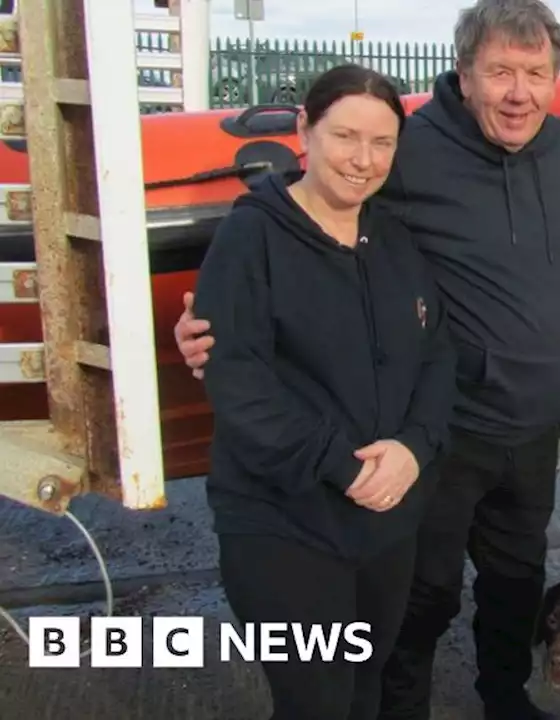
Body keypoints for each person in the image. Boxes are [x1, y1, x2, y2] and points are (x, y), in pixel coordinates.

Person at [174, 1, 560, 717]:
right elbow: (308, 218)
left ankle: (503, 700)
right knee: (422, 596)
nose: (518, 91)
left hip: (532, 427)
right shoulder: (411, 148)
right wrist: (205, 320)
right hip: (445, 429)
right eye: (499, 70)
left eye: (536, 73)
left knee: (514, 583)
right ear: (464, 74)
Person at [191, 64, 457, 720]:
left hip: (385, 522)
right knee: (316, 703)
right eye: (345, 137)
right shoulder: (251, 237)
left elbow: (437, 352)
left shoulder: (395, 241)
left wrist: (416, 448)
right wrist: (344, 465)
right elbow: (241, 384)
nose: (362, 161)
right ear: (305, 130)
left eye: (382, 143)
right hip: (285, 524)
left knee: (366, 693)